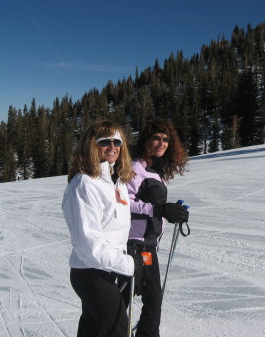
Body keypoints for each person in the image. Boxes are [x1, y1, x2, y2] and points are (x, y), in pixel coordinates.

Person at [62, 120, 143, 337]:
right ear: (91, 145)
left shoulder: (116, 183)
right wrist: (128, 264)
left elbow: (113, 228)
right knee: (118, 330)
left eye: (117, 141)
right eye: (104, 142)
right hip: (91, 272)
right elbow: (88, 243)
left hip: (107, 270)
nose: (112, 146)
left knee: (93, 328)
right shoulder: (85, 184)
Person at [121, 119, 189, 337]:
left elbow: (155, 207)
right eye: (157, 138)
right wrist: (159, 210)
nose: (162, 143)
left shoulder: (157, 172)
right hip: (132, 245)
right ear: (146, 140)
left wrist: (173, 212)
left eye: (166, 139)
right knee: (122, 299)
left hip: (148, 247)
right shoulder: (134, 168)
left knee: (153, 301)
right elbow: (123, 203)